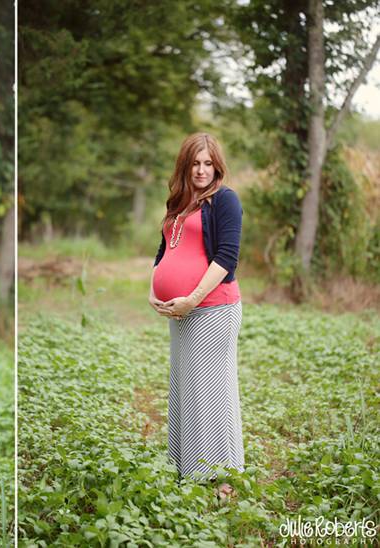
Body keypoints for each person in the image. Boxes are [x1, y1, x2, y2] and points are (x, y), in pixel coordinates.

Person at [148, 132, 244, 499]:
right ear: (185, 165)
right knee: (186, 390)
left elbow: (226, 257)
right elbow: (162, 253)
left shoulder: (225, 201)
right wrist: (152, 291)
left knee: (212, 392)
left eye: (208, 164)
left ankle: (223, 478)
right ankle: (188, 469)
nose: (202, 170)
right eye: (195, 163)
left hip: (214, 309)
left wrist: (192, 299)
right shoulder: (179, 203)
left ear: (216, 166)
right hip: (182, 314)